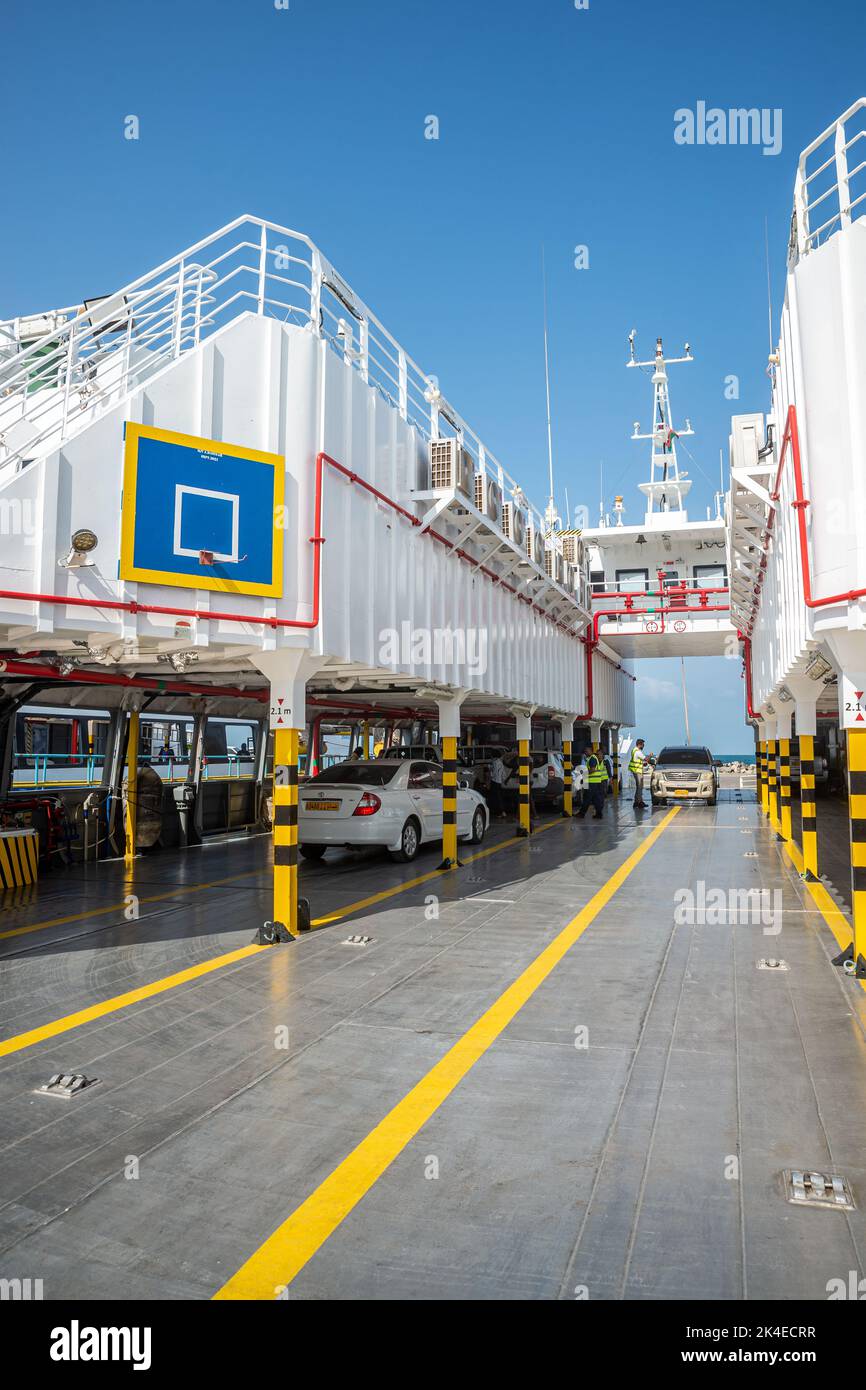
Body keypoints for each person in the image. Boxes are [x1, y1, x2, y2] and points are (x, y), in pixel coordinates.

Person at [577, 745, 608, 820]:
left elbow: (593, 769)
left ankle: (582, 813)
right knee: (596, 799)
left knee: (587, 798)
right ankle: (598, 814)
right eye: (585, 751)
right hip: (597, 782)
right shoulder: (593, 758)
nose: (585, 752)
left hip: (592, 782)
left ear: (590, 750)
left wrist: (584, 774)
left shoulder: (592, 758)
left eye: (586, 751)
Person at [487, 749, 509, 819]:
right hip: (499, 782)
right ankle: (502, 812)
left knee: (496, 798)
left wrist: (489, 770)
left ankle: (501, 812)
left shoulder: (495, 762)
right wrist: (503, 780)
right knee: (499, 797)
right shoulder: (500, 762)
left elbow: (493, 773)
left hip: (494, 782)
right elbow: (503, 773)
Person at [629, 738, 647, 808]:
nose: (643, 746)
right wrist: (651, 755)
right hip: (637, 771)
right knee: (640, 787)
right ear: (640, 744)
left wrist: (643, 764)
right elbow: (646, 759)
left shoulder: (634, 750)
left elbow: (636, 761)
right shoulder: (638, 752)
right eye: (643, 745)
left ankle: (637, 802)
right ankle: (639, 803)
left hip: (635, 770)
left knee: (639, 787)